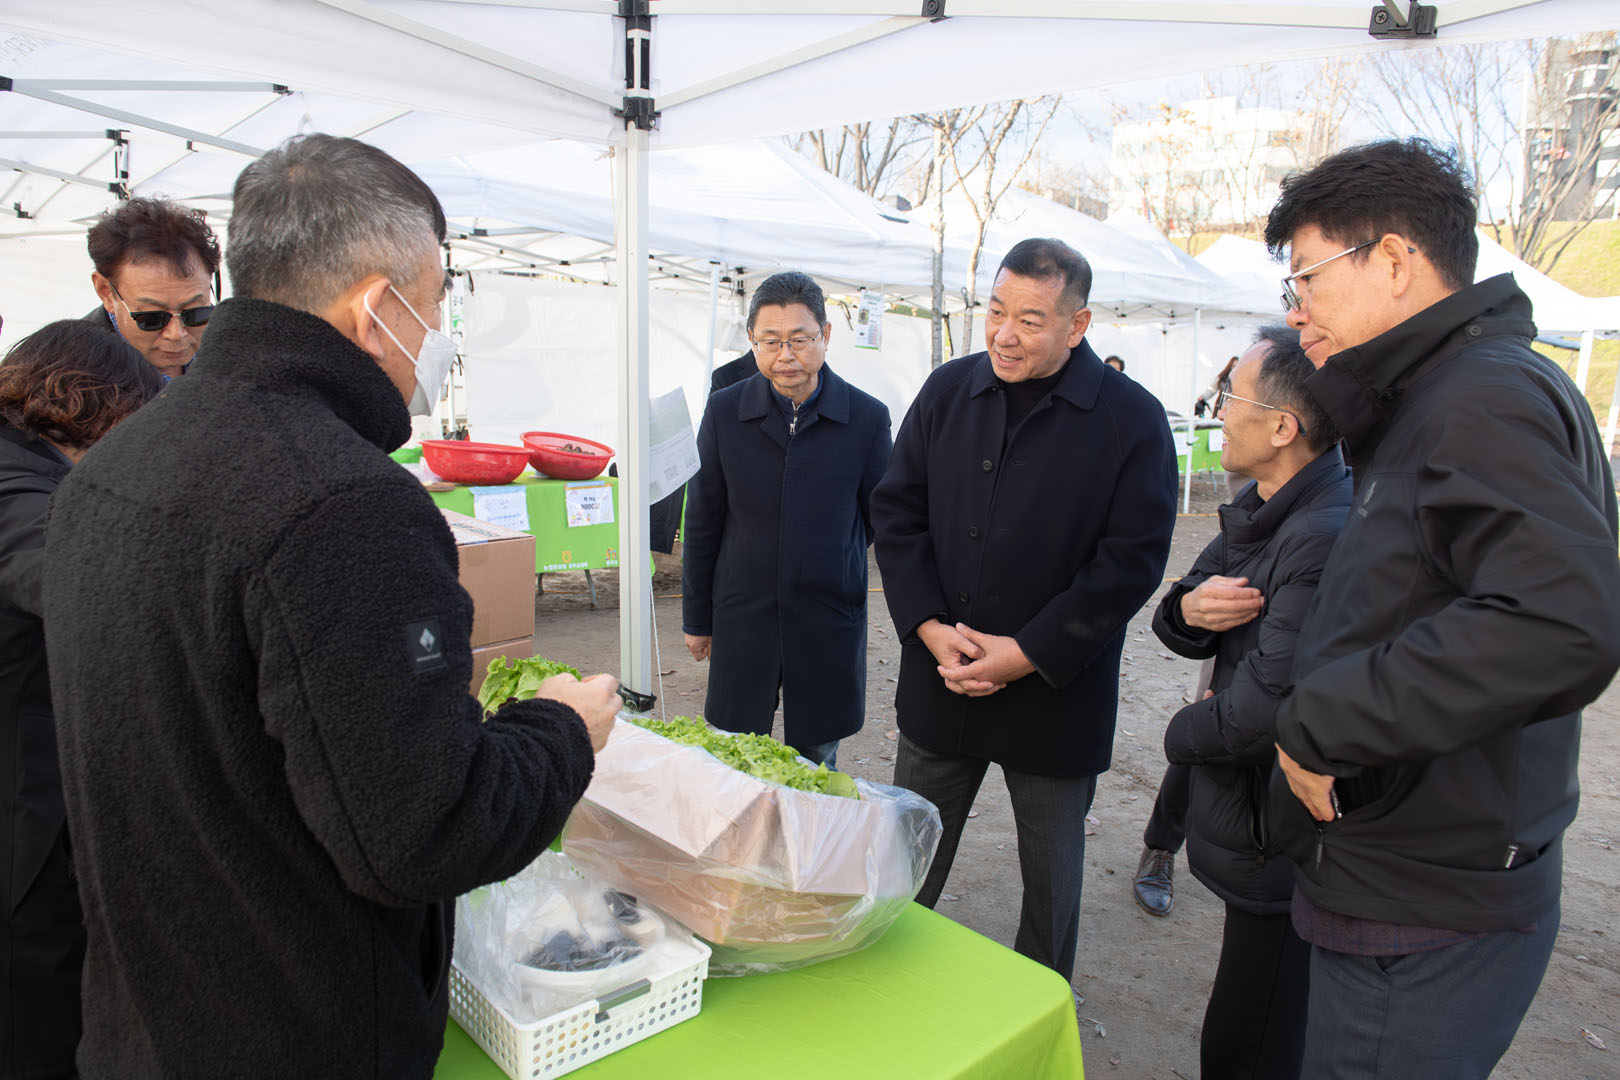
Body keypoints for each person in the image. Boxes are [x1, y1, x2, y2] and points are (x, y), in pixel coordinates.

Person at [43, 134, 622, 1079]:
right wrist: (561, 729)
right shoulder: (345, 505)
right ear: (379, 308)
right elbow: (426, 835)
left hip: (141, 1017)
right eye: (437, 301)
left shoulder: (116, 463)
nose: (438, 333)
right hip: (298, 1029)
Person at [1264, 138, 1620, 1078]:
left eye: (1307, 277)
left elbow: (1557, 620)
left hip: (1425, 902)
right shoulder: (1438, 394)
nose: (1296, 309)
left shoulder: (1480, 397)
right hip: (1413, 861)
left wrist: (1319, 723)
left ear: (1393, 259)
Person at [871, 237, 1178, 980]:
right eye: (996, 311)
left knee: (1051, 876)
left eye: (1031, 320)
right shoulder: (948, 392)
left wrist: (1028, 653)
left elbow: (1131, 561)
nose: (1004, 335)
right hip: (944, 675)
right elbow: (898, 512)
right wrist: (928, 627)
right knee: (908, 858)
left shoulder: (1131, 419)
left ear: (1078, 325)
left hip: (1054, 693)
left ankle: (1041, 998)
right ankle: (879, 987)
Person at [1151, 324, 1350, 1080]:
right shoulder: (1263, 502)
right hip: (1250, 809)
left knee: (1255, 1032)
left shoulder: (1323, 531)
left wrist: (1177, 733)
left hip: (1283, 826)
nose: (1218, 410)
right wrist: (1188, 608)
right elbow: (1180, 608)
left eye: (1232, 396)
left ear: (1282, 427)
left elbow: (1264, 711)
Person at [0, 321, 164, 1080]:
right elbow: (70, 581)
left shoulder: (29, 465)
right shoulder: (17, 486)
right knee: (37, 988)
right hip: (24, 794)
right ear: (89, 406)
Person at [682, 271, 892, 767]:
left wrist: (829, 557)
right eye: (770, 341)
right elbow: (704, 519)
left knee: (817, 757)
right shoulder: (725, 411)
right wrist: (697, 618)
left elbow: (876, 515)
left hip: (826, 612)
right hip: (743, 609)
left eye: (800, 339)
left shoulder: (866, 418)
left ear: (825, 335)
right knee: (734, 756)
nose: (785, 355)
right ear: (752, 340)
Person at [84, 196, 222, 380]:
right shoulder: (71, 378)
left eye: (196, 314)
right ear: (106, 292)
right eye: (152, 319)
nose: (176, 334)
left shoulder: (233, 350)